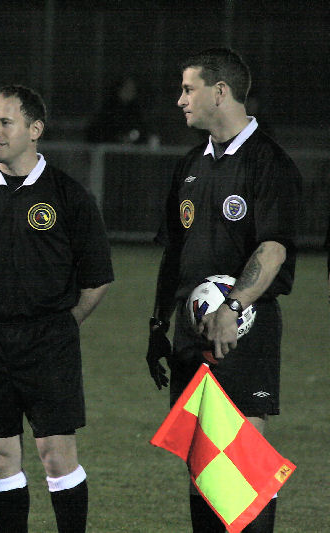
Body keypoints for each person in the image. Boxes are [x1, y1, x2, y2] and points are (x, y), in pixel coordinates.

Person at [0, 85, 113, 533]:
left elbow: (96, 280)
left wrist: (58, 326)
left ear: (35, 129)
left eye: (5, 122)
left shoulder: (70, 196)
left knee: (56, 454)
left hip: (49, 341)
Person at [146, 48, 301, 533]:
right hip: (192, 334)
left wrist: (233, 306)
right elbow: (175, 254)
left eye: (189, 89)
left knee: (244, 472)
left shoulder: (268, 163)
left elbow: (273, 249)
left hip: (244, 331)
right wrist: (157, 325)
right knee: (203, 469)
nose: (180, 100)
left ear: (220, 91)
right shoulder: (191, 165)